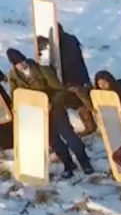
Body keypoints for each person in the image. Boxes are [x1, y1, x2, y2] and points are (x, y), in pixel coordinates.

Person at [9, 48, 95, 177]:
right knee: (53, 141)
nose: (22, 65)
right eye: (18, 63)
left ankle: (85, 162)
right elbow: (16, 95)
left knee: (69, 136)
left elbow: (59, 90)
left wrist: (51, 103)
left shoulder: (43, 70)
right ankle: (68, 164)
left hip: (55, 108)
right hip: (37, 113)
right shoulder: (14, 76)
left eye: (22, 61)